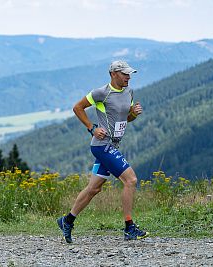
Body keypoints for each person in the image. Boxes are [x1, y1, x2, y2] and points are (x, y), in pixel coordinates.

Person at [57, 60, 149, 243]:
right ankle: (129, 227)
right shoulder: (101, 93)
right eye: (125, 74)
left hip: (113, 146)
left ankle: (67, 220)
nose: (128, 77)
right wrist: (92, 128)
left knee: (94, 188)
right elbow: (77, 108)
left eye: (129, 74)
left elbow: (125, 118)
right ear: (114, 74)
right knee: (131, 180)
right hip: (101, 146)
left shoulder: (129, 92)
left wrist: (133, 114)